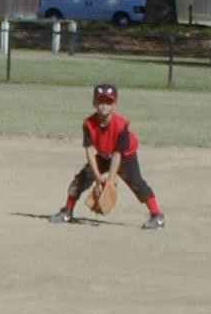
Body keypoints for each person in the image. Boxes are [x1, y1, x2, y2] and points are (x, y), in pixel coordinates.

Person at [49, 82, 165, 229]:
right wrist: (97, 178)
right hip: (104, 154)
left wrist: (110, 181)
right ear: (94, 103)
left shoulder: (121, 126)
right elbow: (90, 151)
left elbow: (117, 154)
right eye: (100, 101)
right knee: (80, 179)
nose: (104, 106)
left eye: (108, 102)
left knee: (136, 182)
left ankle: (157, 215)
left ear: (114, 105)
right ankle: (67, 211)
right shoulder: (89, 124)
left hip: (125, 156)